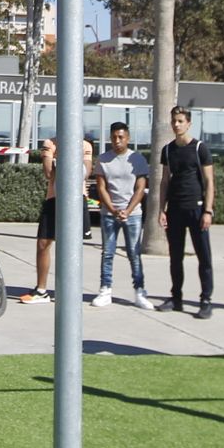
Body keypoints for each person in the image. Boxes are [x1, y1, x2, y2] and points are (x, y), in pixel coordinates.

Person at [157, 107, 215, 318]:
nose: (176, 124)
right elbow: (165, 181)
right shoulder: (167, 150)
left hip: (197, 209)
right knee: (175, 257)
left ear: (189, 123)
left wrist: (207, 211)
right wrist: (161, 210)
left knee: (204, 257)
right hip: (175, 210)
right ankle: (176, 298)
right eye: (174, 121)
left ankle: (206, 300)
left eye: (180, 121)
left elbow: (209, 182)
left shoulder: (200, 148)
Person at [92, 122, 154, 310]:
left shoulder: (137, 159)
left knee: (134, 253)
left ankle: (140, 292)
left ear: (128, 138)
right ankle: (105, 290)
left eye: (121, 137)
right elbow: (101, 187)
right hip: (109, 214)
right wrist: (112, 210)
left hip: (132, 214)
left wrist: (127, 210)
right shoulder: (103, 160)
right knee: (107, 252)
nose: (117, 141)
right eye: (114, 137)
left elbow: (140, 188)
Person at [20, 138, 61, 305]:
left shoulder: (84, 145)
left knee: (70, 248)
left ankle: (67, 289)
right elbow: (49, 174)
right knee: (43, 243)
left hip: (76, 200)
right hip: (53, 198)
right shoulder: (50, 143)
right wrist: (52, 156)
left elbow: (85, 172)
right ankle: (41, 290)